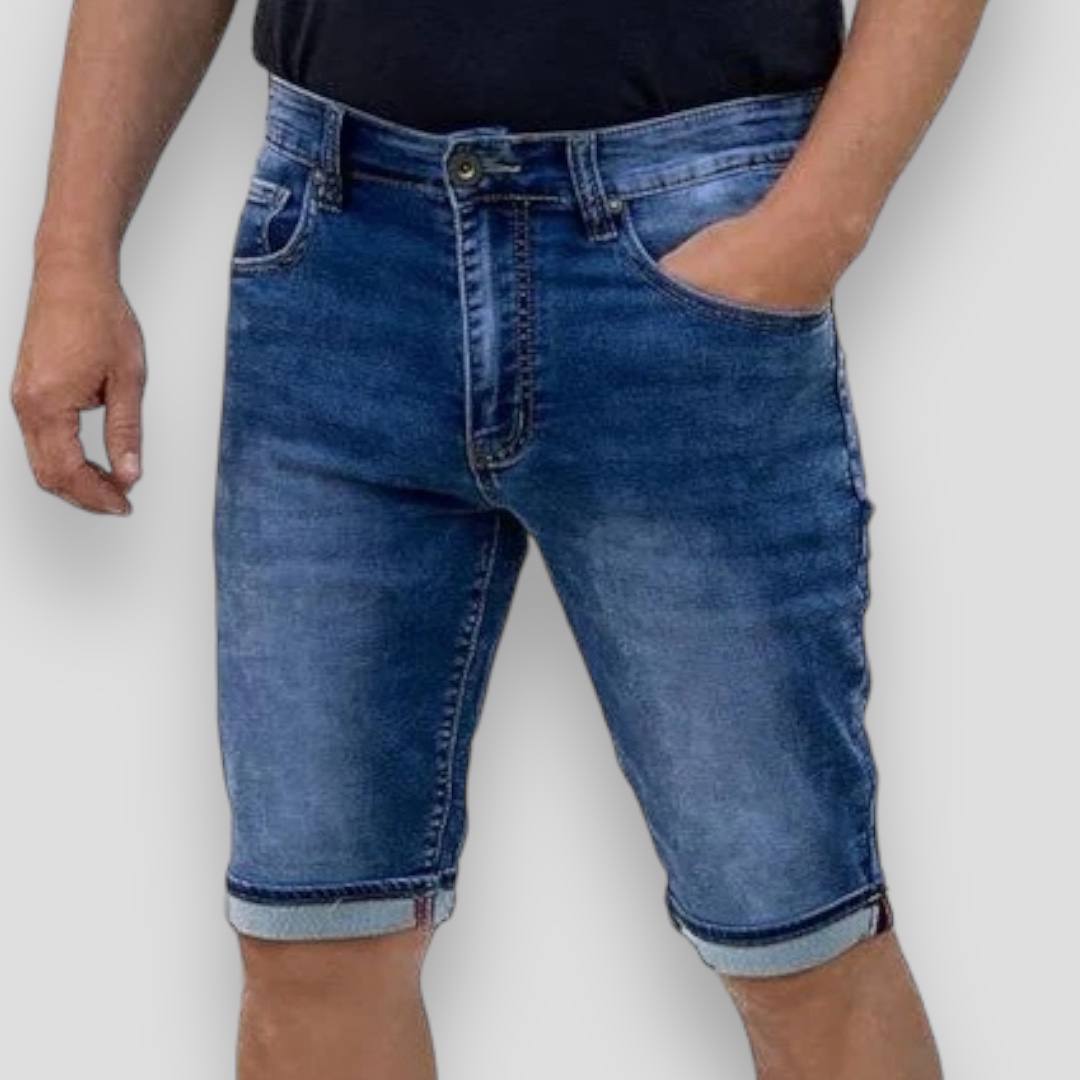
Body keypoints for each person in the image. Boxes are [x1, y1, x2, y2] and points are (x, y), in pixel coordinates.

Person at [10, 0, 989, 1076]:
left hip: (676, 246)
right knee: (313, 935)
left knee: (797, 939)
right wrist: (73, 254)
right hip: (338, 255)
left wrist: (818, 224)